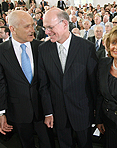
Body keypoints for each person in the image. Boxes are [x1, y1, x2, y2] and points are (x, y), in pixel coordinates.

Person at [0, 10, 53, 148]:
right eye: (26, 27)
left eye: (32, 25)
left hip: (43, 109)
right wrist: (1, 113)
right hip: (18, 111)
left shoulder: (40, 47)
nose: (32, 30)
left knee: (49, 143)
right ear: (12, 29)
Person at [39, 8, 98, 148]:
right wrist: (48, 112)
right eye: (45, 28)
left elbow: (93, 84)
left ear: (65, 24)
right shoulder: (43, 49)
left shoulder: (86, 48)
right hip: (58, 114)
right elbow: (43, 85)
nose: (46, 32)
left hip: (83, 112)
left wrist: (97, 114)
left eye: (50, 27)